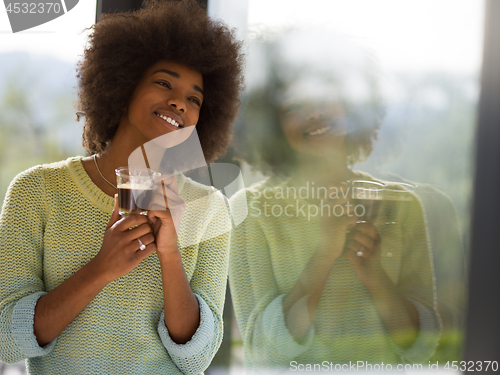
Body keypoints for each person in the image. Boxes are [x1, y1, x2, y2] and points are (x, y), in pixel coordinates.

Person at [0, 1, 243, 373]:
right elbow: (7, 340)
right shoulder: (37, 191)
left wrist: (170, 254)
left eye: (195, 98)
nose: (179, 102)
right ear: (124, 84)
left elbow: (197, 358)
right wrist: (102, 268)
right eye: (164, 82)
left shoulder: (208, 208)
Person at [229, 29, 441, 372]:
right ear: (272, 121)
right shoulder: (247, 211)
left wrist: (374, 276)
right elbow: (263, 354)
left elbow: (422, 348)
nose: (314, 113)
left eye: (324, 96)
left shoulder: (402, 206)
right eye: (295, 105)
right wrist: (325, 255)